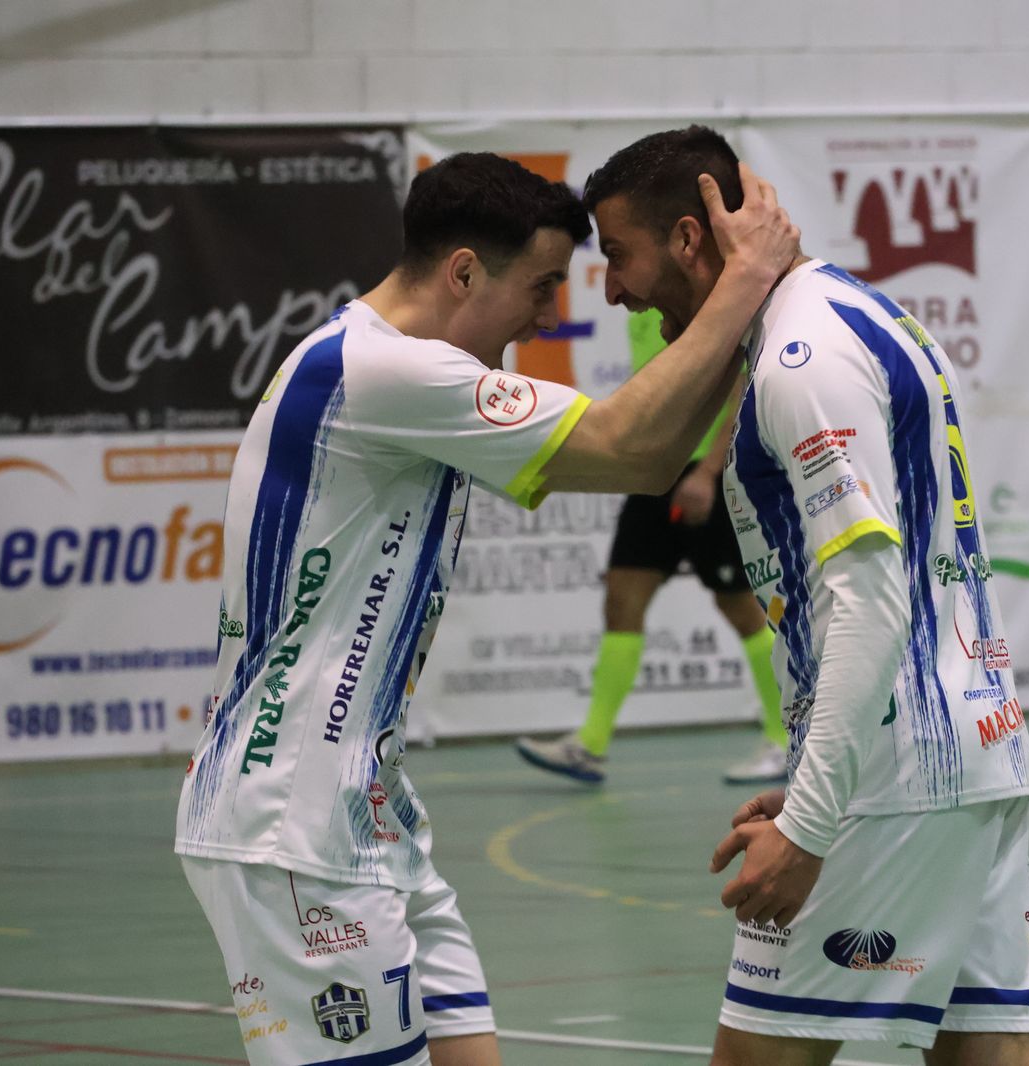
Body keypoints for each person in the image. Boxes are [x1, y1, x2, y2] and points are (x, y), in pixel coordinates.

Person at [173, 150, 799, 1066]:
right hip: (291, 826)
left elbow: (651, 455)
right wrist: (745, 281)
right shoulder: (385, 372)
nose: (549, 315)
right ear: (464, 270)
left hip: (368, 809)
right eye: (543, 287)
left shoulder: (376, 364)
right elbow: (632, 449)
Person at [585, 125, 1029, 1066]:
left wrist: (810, 817)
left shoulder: (802, 358)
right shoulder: (854, 312)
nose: (613, 289)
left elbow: (868, 598)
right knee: (987, 1055)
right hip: (971, 756)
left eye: (619, 256)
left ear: (687, 237)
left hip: (895, 779)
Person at [514, 308, 788, 787]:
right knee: (623, 596)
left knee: (742, 608)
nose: (614, 288)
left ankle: (785, 741)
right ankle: (590, 746)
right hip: (655, 472)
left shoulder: (704, 299)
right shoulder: (644, 308)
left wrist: (708, 474)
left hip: (709, 474)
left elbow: (743, 382)